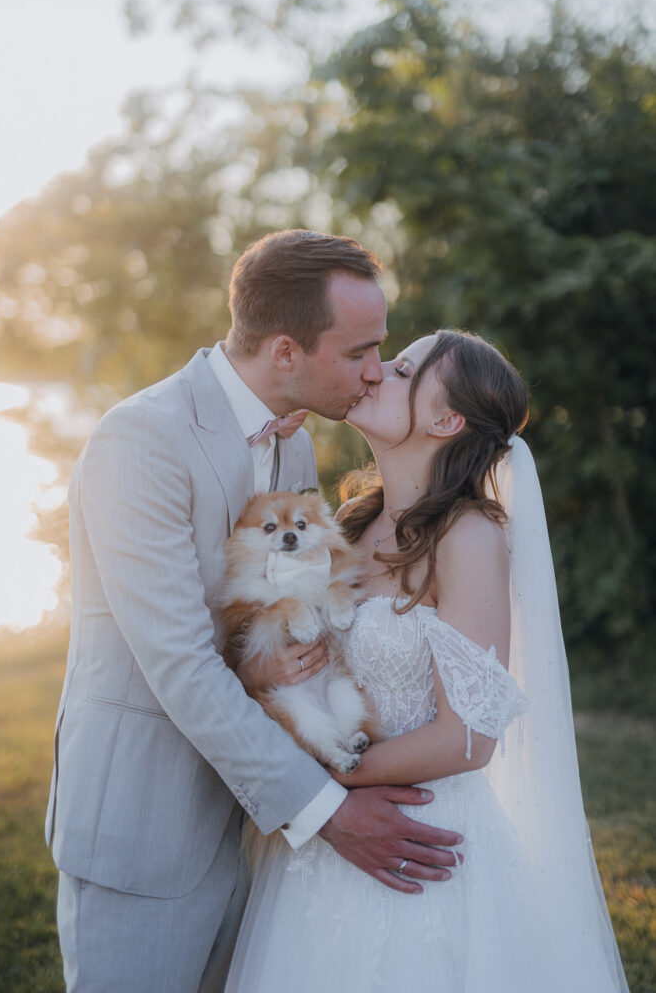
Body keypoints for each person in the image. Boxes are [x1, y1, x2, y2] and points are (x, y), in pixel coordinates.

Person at [44, 231, 464, 993]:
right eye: (360, 351)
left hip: (254, 829)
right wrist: (326, 810)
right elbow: (178, 660)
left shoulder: (294, 450)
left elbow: (281, 612)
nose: (376, 371)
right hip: (147, 822)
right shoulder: (139, 441)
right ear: (284, 352)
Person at [224, 329, 629, 992]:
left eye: (403, 369)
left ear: (446, 421)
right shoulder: (350, 524)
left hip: (416, 841)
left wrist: (316, 788)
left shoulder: (468, 537)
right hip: (324, 842)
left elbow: (467, 737)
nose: (375, 370)